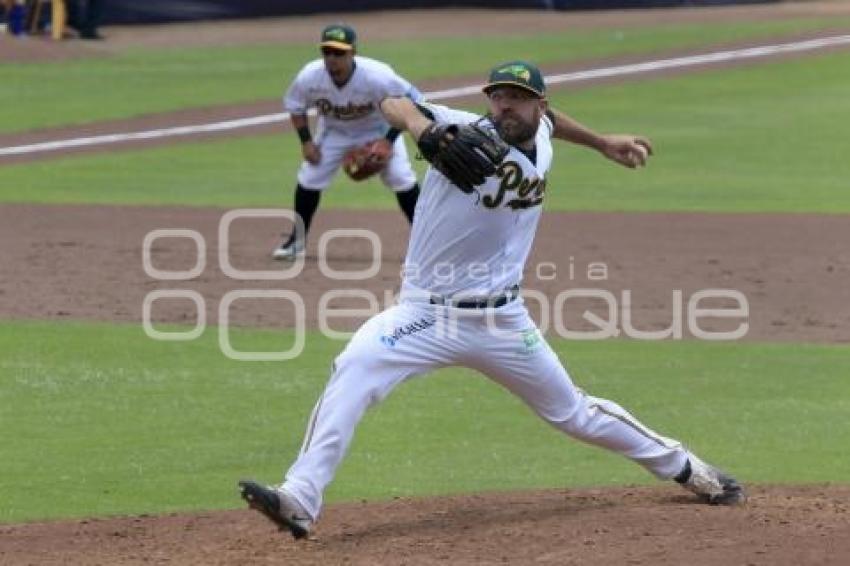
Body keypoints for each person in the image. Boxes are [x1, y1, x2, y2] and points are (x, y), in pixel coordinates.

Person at [240, 60, 745, 538]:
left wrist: (601, 142)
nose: (505, 107)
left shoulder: (542, 134)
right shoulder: (460, 129)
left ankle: (685, 467)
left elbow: (553, 125)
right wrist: (422, 130)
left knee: (574, 413)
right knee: (353, 367)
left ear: (538, 107)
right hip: (425, 317)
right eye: (498, 97)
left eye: (519, 100)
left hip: (504, 321)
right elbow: (394, 101)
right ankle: (299, 500)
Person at [273, 24, 423, 260]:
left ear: (353, 52)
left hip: (378, 128)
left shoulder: (377, 75)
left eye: (339, 53)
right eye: (327, 52)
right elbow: (295, 106)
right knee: (310, 177)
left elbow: (413, 100)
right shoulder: (310, 76)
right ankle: (296, 241)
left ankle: (426, 243)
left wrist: (388, 141)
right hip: (334, 131)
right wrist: (306, 142)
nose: (332, 58)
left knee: (401, 177)